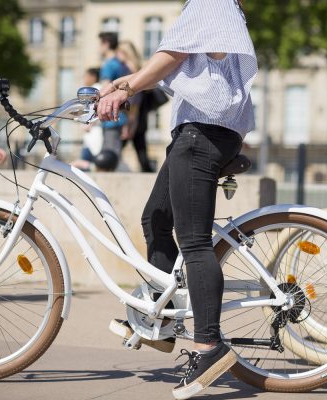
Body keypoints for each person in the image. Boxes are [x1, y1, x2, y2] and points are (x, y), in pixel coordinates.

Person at [97, 1, 257, 398]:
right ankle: (163, 318)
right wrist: (124, 84)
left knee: (194, 240)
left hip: (201, 134)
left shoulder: (210, 1)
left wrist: (127, 87)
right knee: (156, 218)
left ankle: (209, 347)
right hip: (198, 132)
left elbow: (172, 57)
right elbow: (171, 61)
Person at [117, 41, 156, 172]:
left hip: (130, 118)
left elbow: (133, 100)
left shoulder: (127, 69)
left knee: (116, 150)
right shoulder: (139, 68)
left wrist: (129, 125)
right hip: (139, 117)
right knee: (141, 153)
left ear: (125, 53)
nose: (117, 55)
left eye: (119, 52)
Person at [98, 32, 131, 167]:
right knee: (114, 154)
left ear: (106, 44)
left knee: (109, 157)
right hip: (119, 115)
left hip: (110, 116)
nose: (98, 48)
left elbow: (104, 90)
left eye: (100, 44)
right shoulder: (120, 64)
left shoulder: (109, 65)